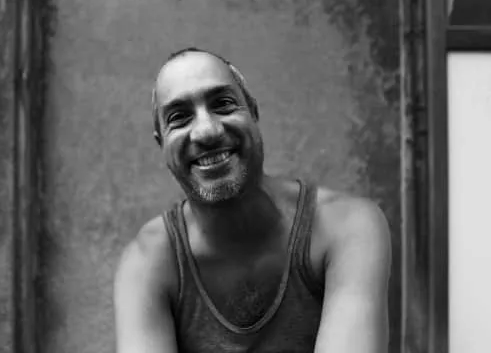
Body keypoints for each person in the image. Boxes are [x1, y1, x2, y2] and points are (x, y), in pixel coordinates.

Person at [114, 47, 391, 353]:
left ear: (254, 113)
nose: (207, 131)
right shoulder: (147, 263)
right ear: (162, 142)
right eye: (179, 118)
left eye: (223, 104)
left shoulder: (345, 227)